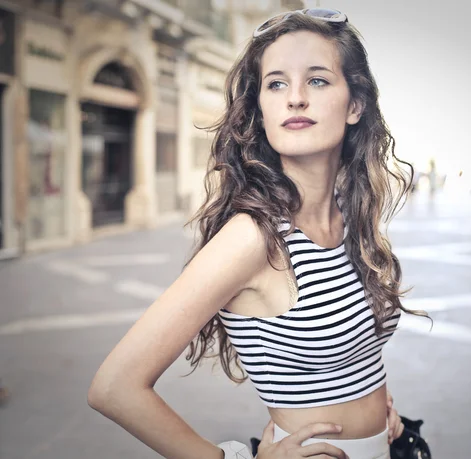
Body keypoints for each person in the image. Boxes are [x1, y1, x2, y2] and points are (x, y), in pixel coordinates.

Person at [87, 8, 429, 459]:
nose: (296, 98)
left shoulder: (351, 213)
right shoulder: (253, 238)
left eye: (318, 80)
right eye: (277, 83)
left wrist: (372, 408)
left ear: (355, 105)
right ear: (262, 108)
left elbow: (352, 354)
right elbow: (115, 387)